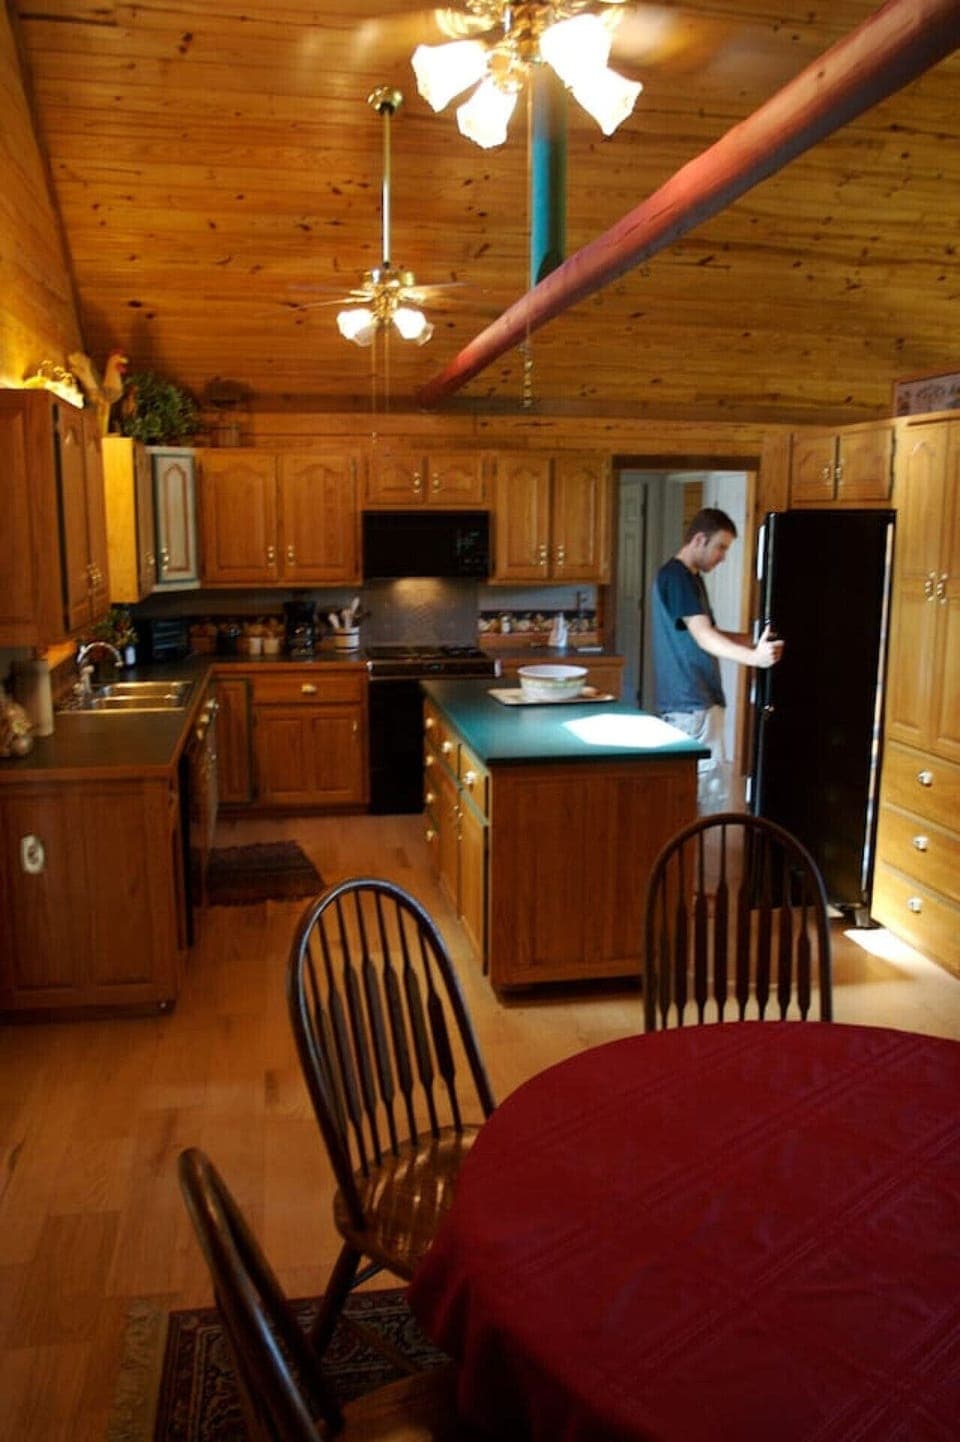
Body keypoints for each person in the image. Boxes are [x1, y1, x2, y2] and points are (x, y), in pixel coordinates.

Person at [652, 506, 784, 812]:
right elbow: (704, 637)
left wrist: (751, 640)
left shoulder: (690, 578)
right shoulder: (677, 577)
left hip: (694, 703)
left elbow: (707, 632)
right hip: (692, 704)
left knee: (700, 797)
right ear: (699, 539)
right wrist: (755, 658)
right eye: (720, 547)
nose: (723, 557)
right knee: (699, 799)